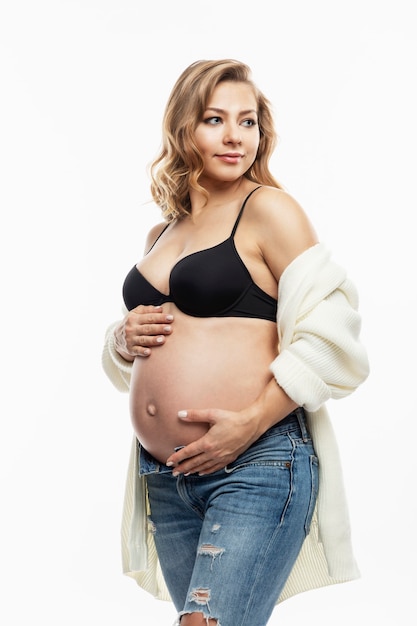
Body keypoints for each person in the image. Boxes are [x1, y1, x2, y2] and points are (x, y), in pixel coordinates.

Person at [102, 59, 369, 626]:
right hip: (167, 478)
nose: (234, 137)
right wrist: (123, 338)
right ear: (183, 130)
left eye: (247, 122)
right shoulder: (162, 232)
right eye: (215, 119)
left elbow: (333, 334)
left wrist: (250, 421)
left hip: (255, 464)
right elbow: (146, 348)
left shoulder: (269, 210)